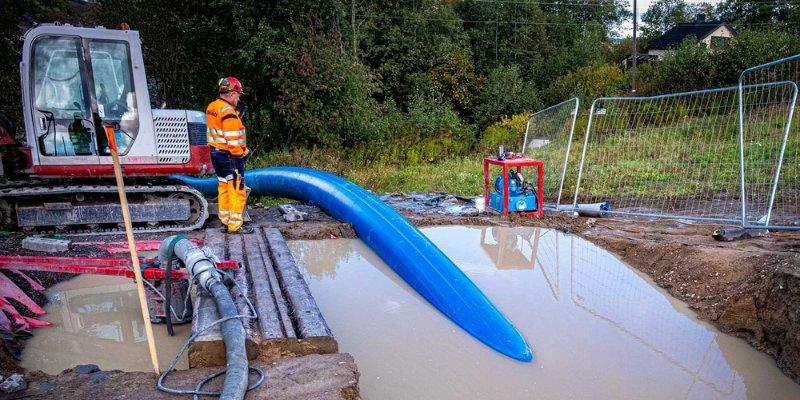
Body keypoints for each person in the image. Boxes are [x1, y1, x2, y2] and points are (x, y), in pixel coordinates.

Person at [206, 77, 252, 234]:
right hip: (229, 156)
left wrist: (236, 116)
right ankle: (235, 226)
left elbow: (219, 128)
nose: (239, 99)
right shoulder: (229, 113)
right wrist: (243, 153)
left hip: (216, 153)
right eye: (238, 96)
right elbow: (232, 142)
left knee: (224, 187)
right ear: (231, 94)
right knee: (237, 189)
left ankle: (225, 222)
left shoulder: (213, 107)